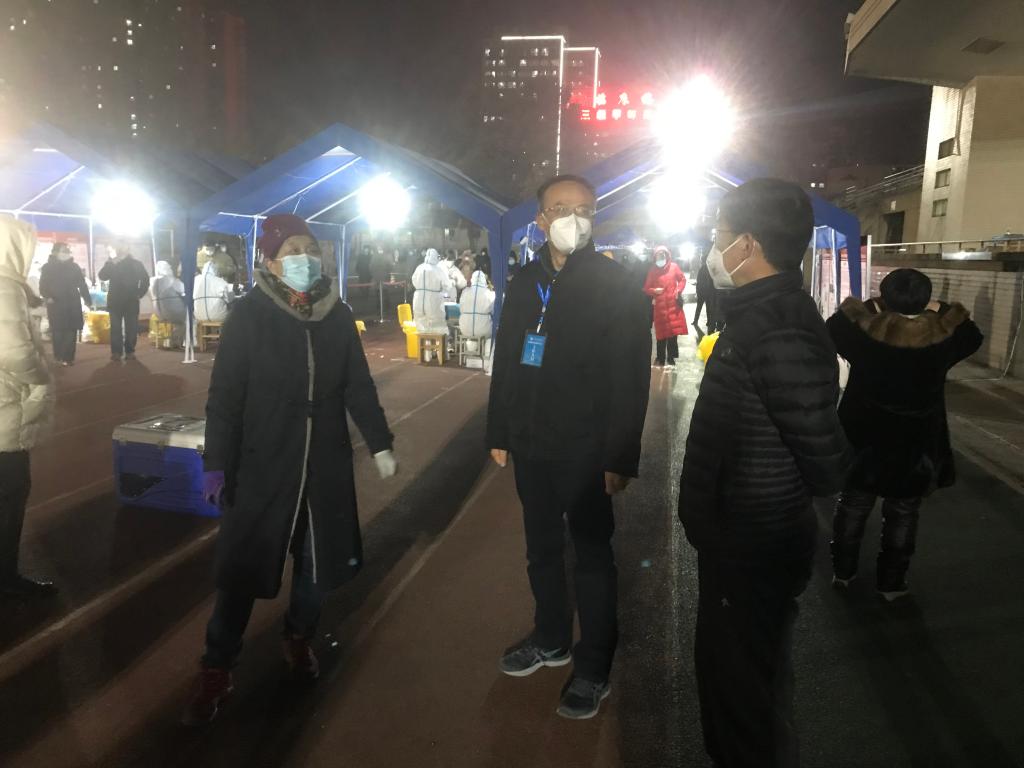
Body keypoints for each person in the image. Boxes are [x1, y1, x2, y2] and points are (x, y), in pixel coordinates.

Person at [184, 214, 398, 725]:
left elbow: (358, 384)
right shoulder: (249, 314)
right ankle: (217, 664)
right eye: (293, 250)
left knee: (316, 564)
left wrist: (380, 443)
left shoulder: (336, 314)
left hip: (324, 462)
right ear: (271, 260)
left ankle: (299, 637)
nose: (305, 258)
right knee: (242, 569)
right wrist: (216, 464)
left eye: (311, 248)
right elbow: (225, 397)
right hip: (262, 462)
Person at [678, 179, 852, 768]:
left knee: (746, 689)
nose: (714, 247)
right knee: (739, 679)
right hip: (742, 538)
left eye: (719, 235)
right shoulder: (761, 316)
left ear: (748, 245)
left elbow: (825, 461)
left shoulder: (776, 328)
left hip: (754, 543)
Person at [487, 175, 652, 720]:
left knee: (591, 556)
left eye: (584, 209)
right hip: (531, 443)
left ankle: (593, 665)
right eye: (561, 208)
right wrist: (498, 431)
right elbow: (507, 358)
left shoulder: (615, 284)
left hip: (586, 448)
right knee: (540, 549)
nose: (573, 219)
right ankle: (551, 638)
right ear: (540, 220)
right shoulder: (525, 279)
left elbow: (631, 378)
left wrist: (619, 456)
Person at [827, 269, 983, 601]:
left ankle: (843, 571)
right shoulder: (941, 340)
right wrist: (941, 308)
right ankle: (891, 583)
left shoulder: (866, 335)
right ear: (925, 299)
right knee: (903, 513)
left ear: (885, 297)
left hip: (863, 438)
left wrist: (870, 305)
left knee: (853, 505)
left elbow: (835, 326)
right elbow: (972, 335)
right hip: (915, 444)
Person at [0, 217, 57, 600]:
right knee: (11, 493)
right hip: (5, 409)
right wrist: (41, 376)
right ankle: (6, 578)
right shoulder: (4, 286)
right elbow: (14, 349)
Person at [38, 242, 92, 366]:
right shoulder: (48, 267)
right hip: (55, 303)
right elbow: (43, 285)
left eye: (67, 251)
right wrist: (47, 297)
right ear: (55, 252)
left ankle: (68, 358)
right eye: (63, 250)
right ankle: (58, 357)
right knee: (58, 331)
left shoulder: (74, 267)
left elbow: (82, 284)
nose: (66, 253)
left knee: (71, 331)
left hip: (72, 303)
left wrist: (87, 300)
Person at [97, 244, 149, 362]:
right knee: (115, 328)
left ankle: (130, 351)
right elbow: (102, 276)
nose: (121, 250)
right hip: (115, 301)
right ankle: (116, 352)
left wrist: (139, 293)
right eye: (119, 247)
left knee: (131, 328)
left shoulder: (136, 264)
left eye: (124, 247)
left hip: (131, 301)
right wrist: (111, 262)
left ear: (128, 249)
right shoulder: (113, 263)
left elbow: (145, 280)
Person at [644, 245, 688, 367]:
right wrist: (654, 290)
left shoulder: (674, 267)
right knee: (661, 334)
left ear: (667, 255)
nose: (661, 257)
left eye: (663, 255)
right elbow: (646, 288)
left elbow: (682, 279)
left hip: (673, 306)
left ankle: (671, 357)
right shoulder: (652, 271)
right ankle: (661, 357)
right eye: (658, 256)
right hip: (660, 308)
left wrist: (678, 290)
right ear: (655, 257)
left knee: (673, 333)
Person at [458, 269, 495, 362]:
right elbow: (493, 310)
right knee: (490, 336)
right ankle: (487, 358)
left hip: (465, 328)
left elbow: (461, 307)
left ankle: (470, 356)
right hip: (484, 328)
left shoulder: (465, 291)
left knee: (470, 336)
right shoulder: (489, 293)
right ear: (484, 280)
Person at [411, 248, 451, 333]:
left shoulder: (419, 268)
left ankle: (422, 341)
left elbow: (414, 280)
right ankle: (434, 341)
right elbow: (447, 285)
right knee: (436, 325)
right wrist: (446, 296)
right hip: (433, 299)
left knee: (420, 324)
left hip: (418, 299)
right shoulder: (438, 270)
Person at [694, 252, 721, 333]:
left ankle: (698, 321)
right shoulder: (709, 268)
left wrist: (698, 291)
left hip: (706, 293)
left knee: (704, 308)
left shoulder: (705, 268)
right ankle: (709, 323)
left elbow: (699, 281)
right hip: (708, 293)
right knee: (709, 309)